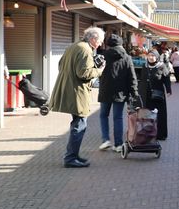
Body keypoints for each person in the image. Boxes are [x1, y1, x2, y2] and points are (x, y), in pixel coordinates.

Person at [49, 26, 105, 168]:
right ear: (93, 39)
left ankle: (74, 155)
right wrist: (99, 70)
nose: (100, 44)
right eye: (100, 41)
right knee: (80, 125)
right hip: (77, 92)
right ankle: (70, 157)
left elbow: (60, 64)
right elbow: (84, 73)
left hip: (69, 89)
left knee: (77, 123)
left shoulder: (73, 46)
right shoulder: (85, 50)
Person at [97, 34, 139, 153]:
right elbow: (132, 77)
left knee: (104, 115)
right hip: (121, 93)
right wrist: (134, 92)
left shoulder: (102, 56)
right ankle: (118, 144)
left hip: (105, 90)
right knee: (118, 117)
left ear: (108, 44)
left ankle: (105, 140)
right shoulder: (126, 57)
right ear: (121, 44)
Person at [141, 49, 172, 140]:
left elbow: (166, 79)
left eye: (153, 56)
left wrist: (168, 89)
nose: (151, 57)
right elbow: (142, 80)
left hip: (158, 95)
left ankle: (161, 134)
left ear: (157, 57)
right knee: (147, 114)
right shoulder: (144, 66)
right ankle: (148, 133)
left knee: (160, 115)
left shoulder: (161, 66)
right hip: (147, 95)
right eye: (149, 55)